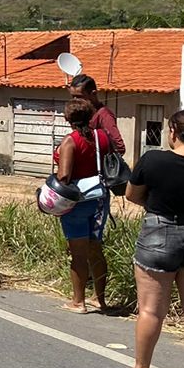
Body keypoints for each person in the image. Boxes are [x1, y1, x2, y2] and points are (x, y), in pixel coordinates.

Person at [121, 109, 184, 368]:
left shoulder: (154, 160)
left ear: (174, 132)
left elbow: (132, 195)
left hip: (159, 232)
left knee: (151, 310)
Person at [54, 98, 109, 313]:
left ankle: (78, 301)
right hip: (100, 200)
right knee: (96, 249)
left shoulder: (71, 141)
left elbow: (65, 175)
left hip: (76, 202)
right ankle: (99, 298)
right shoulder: (101, 137)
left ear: (68, 119)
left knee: (78, 253)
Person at [70, 75, 125, 157]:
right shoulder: (82, 114)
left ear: (93, 94)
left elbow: (119, 147)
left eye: (79, 97)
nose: (75, 101)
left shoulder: (104, 115)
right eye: (73, 97)